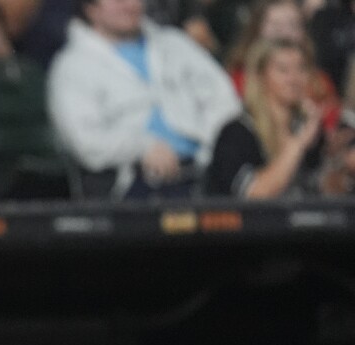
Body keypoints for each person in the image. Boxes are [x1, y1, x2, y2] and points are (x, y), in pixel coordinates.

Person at [48, 0, 241, 199]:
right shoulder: (72, 66)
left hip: (206, 172)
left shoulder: (175, 43)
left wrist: (216, 146)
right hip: (129, 186)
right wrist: (142, 147)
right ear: (90, 9)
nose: (128, 5)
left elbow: (224, 99)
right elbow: (86, 142)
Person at [205, 38, 328, 198]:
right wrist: (298, 144)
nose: (294, 78)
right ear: (260, 76)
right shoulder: (236, 134)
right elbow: (256, 194)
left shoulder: (308, 129)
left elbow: (322, 191)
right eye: (283, 70)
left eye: (301, 69)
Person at [225, 0, 340, 130]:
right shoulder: (238, 80)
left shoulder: (320, 83)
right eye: (276, 25)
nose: (284, 33)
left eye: (293, 25)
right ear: (256, 29)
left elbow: (332, 127)